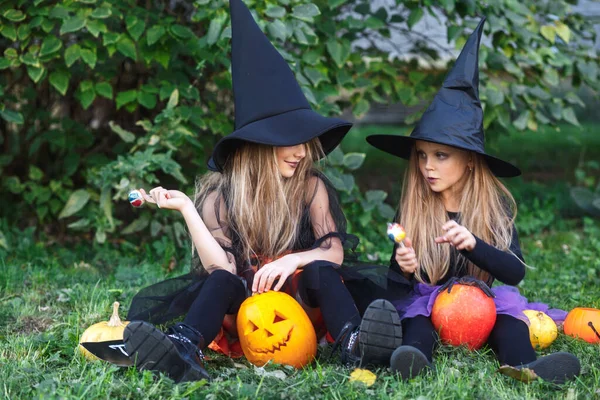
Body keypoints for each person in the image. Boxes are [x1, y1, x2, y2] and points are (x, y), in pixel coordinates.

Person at [121, 0, 402, 383]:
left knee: (320, 269)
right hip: (250, 314)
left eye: (306, 140)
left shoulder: (310, 186)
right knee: (219, 282)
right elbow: (223, 268)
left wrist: (293, 261)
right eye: (291, 140)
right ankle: (184, 348)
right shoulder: (222, 197)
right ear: (259, 144)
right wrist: (187, 208)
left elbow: (334, 251)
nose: (303, 151)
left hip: (304, 309)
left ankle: (354, 343)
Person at [366, 17, 581, 384]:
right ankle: (416, 359)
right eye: (421, 155)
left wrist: (474, 244)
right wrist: (404, 266)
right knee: (416, 317)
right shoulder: (415, 209)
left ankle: (525, 366)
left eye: (440, 156)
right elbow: (397, 290)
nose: (427, 166)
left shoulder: (492, 207)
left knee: (509, 316)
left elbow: (515, 272)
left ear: (469, 161)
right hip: (433, 303)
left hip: (482, 304)